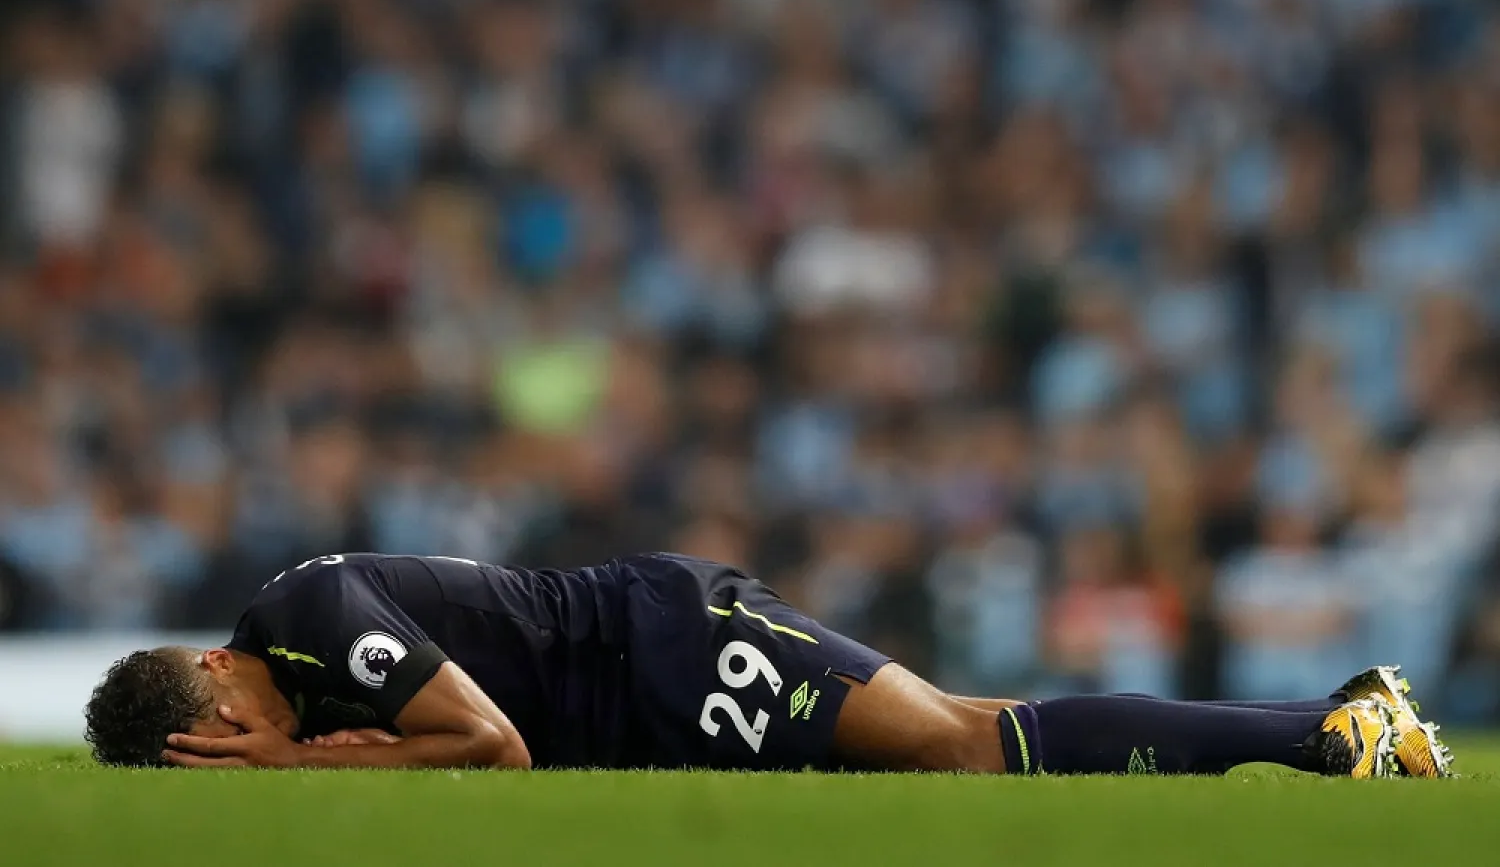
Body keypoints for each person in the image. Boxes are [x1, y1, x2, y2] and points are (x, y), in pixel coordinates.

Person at [83, 552, 1452, 777]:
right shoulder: (291, 665)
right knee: (978, 725)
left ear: (219, 666)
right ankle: (1339, 721)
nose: (258, 736)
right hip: (651, 683)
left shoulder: (306, 613)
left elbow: (492, 740)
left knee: (966, 753)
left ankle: (1332, 745)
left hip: (669, 647)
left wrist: (323, 772)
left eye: (236, 724)